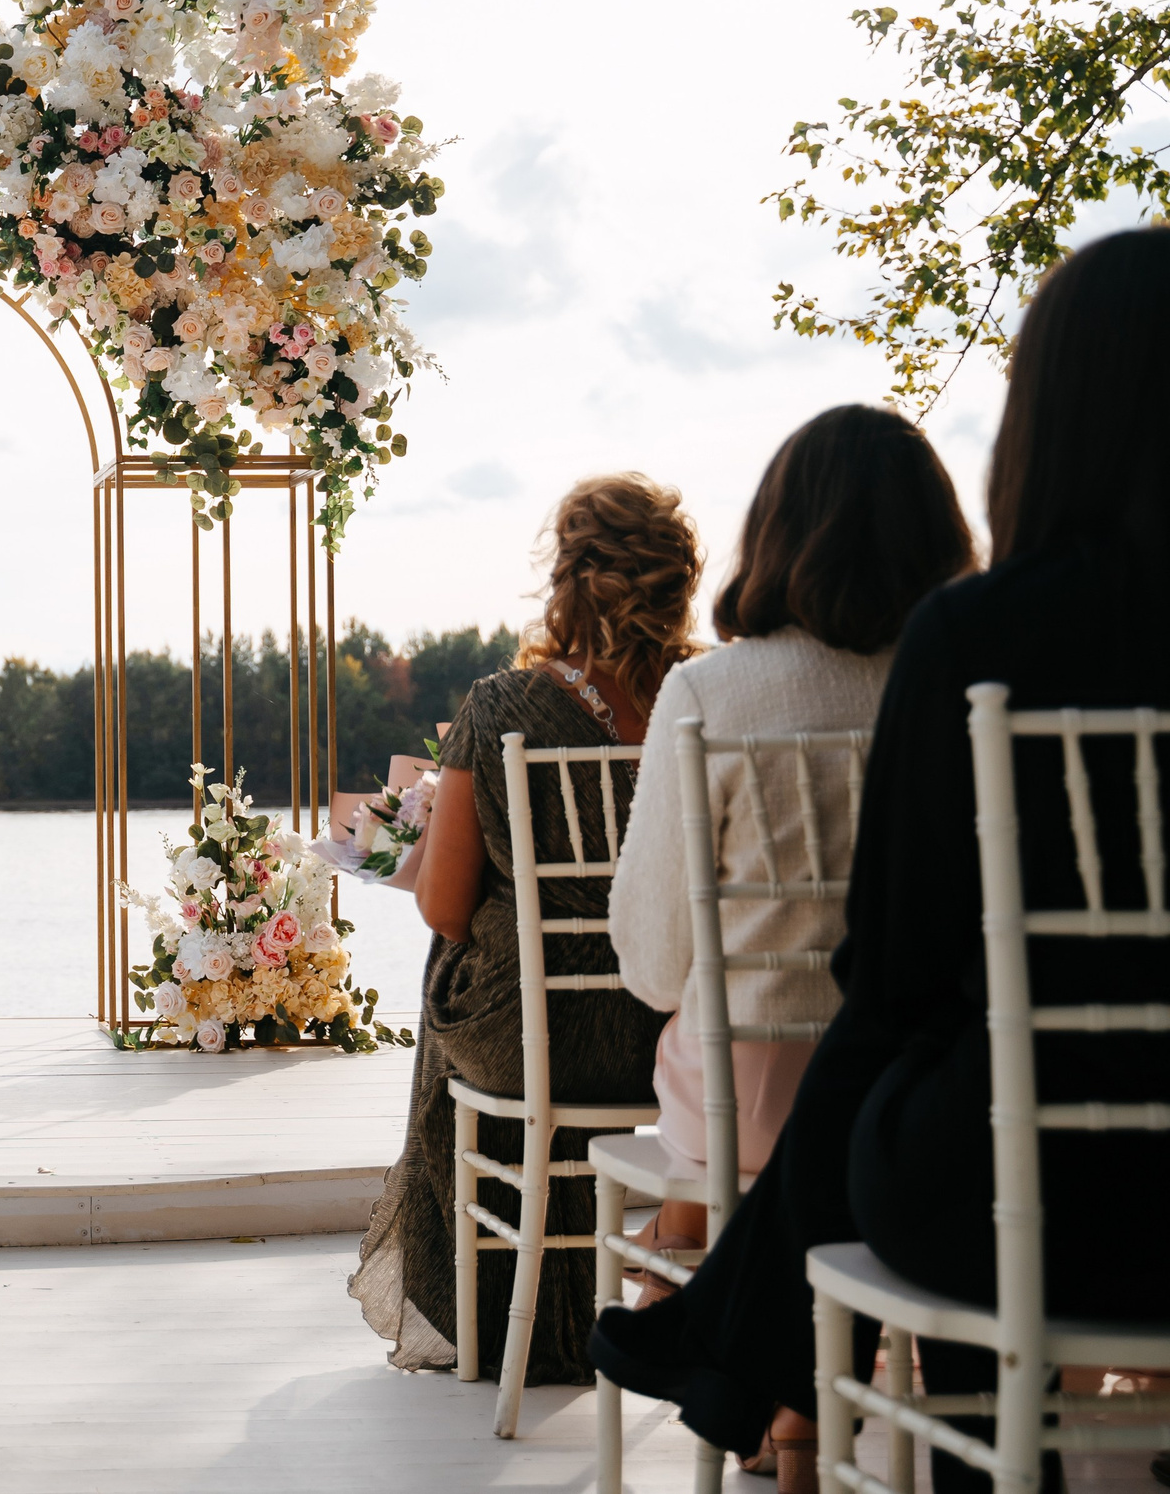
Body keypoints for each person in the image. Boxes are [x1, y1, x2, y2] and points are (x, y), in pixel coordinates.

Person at [590, 229, 1170, 1494]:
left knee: (911, 1064)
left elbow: (893, 971)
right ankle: (731, 1344)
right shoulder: (940, 623)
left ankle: (745, 1351)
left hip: (1036, 1192)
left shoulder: (980, 637)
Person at [605, 406, 974, 1313]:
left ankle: (759, 1372)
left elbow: (652, 967)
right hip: (927, 1098)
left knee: (693, 1050)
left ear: (773, 530)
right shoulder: (966, 684)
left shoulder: (707, 692)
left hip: (750, 1099)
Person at [349, 473, 702, 1382]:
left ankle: (502, 1315)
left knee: (449, 964)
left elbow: (444, 906)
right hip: (679, 1043)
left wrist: (427, 836)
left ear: (568, 576)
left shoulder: (502, 706)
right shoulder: (707, 698)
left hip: (533, 1043)